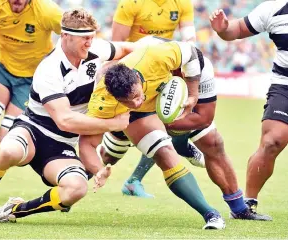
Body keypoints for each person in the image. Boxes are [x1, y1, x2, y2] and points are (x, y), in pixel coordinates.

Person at [0, 8, 134, 225]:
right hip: (33, 130)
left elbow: (128, 48)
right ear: (65, 36)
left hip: (61, 145)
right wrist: (113, 123)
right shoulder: (49, 69)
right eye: (84, 38)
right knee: (8, 150)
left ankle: (13, 211)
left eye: (92, 37)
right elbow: (65, 120)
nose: (89, 43)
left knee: (77, 188)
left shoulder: (96, 49)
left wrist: (161, 48)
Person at [98, 36, 272, 221]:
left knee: (212, 142)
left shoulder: (201, 69)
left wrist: (187, 101)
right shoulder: (147, 59)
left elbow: (204, 118)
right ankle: (69, 181)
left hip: (166, 99)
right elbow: (120, 49)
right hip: (133, 99)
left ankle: (239, 209)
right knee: (109, 157)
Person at [79, 37, 226, 230]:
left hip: (159, 98)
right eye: (128, 100)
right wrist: (98, 168)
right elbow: (87, 143)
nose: (136, 102)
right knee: (139, 154)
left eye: (137, 96)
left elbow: (192, 53)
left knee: (168, 145)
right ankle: (69, 187)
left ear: (137, 78)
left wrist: (193, 94)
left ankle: (212, 215)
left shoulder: (154, 56)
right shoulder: (102, 101)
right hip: (130, 117)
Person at [111, 0, 202, 198]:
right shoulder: (131, 4)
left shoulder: (181, 3)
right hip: (131, 77)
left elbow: (189, 39)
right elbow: (116, 45)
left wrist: (188, 57)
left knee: (170, 118)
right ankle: (78, 177)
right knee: (111, 151)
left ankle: (135, 180)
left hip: (161, 71)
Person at [210, 1, 288, 218]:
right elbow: (235, 31)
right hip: (285, 85)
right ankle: (248, 205)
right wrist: (224, 29)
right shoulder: (274, 9)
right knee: (272, 141)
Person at [0, 0, 62, 179]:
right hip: (2, 68)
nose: (17, 1)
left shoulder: (48, 11)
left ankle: (54, 168)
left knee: (6, 141)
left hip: (33, 78)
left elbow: (73, 37)